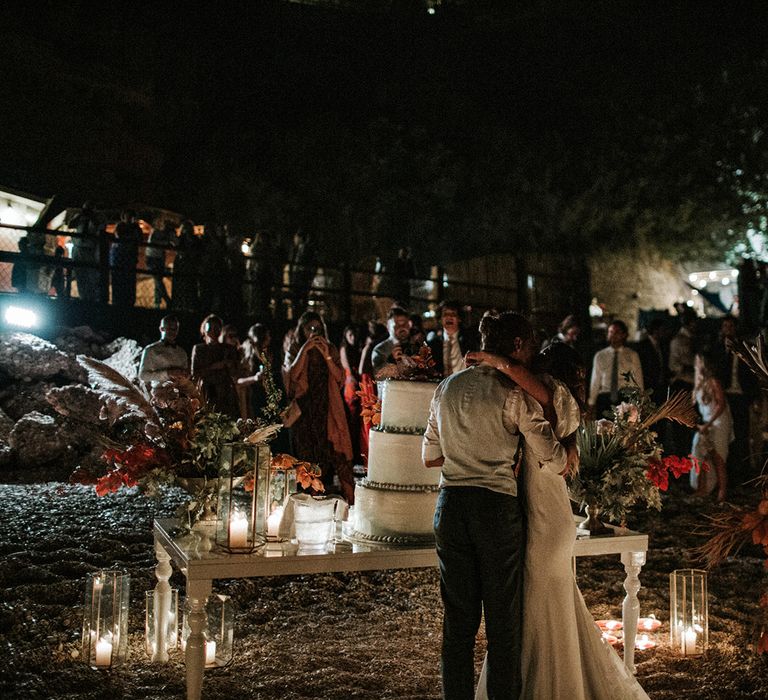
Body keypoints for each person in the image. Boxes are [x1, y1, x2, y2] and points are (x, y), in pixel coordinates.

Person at [468, 332, 651, 700]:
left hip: (544, 519)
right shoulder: (559, 401)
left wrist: (494, 360)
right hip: (548, 512)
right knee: (549, 606)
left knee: (539, 607)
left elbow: (549, 449)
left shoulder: (551, 393)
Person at [422, 311, 568, 700]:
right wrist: (567, 450)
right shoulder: (515, 394)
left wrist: (463, 450)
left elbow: (429, 457)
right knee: (503, 625)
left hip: (450, 508)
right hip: (495, 510)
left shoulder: (446, 388)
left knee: (458, 624)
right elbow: (553, 460)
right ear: (517, 345)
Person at [282, 311, 354, 502]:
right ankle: (305, 497)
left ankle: (323, 494)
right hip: (303, 410)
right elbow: (291, 376)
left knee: (328, 451)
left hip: (325, 407)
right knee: (305, 453)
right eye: (309, 328)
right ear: (302, 330)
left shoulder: (329, 347)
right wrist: (304, 350)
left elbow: (340, 378)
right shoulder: (295, 347)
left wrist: (327, 356)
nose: (314, 332)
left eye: (318, 328)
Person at [714, 316, 759, 481]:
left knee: (742, 435)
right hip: (724, 396)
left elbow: (753, 373)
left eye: (731, 326)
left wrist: (752, 397)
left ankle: (743, 473)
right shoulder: (718, 348)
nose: (728, 329)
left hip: (741, 396)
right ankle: (729, 474)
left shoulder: (745, 348)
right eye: (725, 326)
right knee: (726, 435)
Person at [690, 352, 734, 502]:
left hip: (719, 421)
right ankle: (702, 489)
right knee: (701, 453)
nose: (696, 365)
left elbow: (721, 405)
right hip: (706, 422)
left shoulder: (714, 382)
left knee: (718, 457)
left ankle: (722, 492)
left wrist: (708, 424)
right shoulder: (699, 383)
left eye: (698, 362)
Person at [588, 320, 644, 418]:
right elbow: (595, 380)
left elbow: (638, 379)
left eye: (617, 332)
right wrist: (591, 402)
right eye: (611, 332)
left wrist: (640, 400)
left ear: (624, 335)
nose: (613, 335)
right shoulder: (600, 355)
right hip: (605, 397)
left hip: (625, 398)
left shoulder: (632, 355)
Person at [190, 314, 240, 418]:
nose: (213, 331)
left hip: (226, 392)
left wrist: (229, 365)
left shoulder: (228, 349)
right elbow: (194, 373)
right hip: (208, 391)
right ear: (204, 329)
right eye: (210, 328)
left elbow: (235, 373)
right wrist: (214, 367)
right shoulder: (199, 349)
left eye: (216, 328)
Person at [668, 310, 698, 456]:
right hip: (683, 383)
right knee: (682, 422)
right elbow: (675, 365)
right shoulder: (679, 340)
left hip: (692, 383)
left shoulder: (693, 339)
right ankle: (682, 456)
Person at [427, 300, 479, 377]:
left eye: (453, 314)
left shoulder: (470, 339)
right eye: (445, 314)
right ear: (440, 319)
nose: (449, 317)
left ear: (459, 319)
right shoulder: (433, 344)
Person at [138, 315, 189, 385]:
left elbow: (186, 374)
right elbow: (142, 375)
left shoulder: (182, 352)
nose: (172, 331)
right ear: (161, 329)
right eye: (169, 328)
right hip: (159, 392)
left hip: (179, 392)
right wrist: (167, 373)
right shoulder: (151, 350)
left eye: (175, 329)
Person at [371, 306, 417, 376]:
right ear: (388, 327)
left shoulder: (416, 347)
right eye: (397, 325)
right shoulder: (380, 350)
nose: (402, 328)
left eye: (405, 324)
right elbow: (380, 376)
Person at [68, 201, 100, 301]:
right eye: (86, 208)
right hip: (78, 248)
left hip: (90, 250)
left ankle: (93, 298)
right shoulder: (79, 216)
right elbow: (70, 225)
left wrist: (91, 216)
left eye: (89, 209)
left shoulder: (97, 217)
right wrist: (80, 215)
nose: (87, 211)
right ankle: (83, 297)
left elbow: (98, 226)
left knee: (91, 276)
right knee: (80, 275)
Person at [110, 209, 142, 307]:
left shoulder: (136, 227)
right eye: (127, 216)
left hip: (129, 257)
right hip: (120, 257)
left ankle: (128, 301)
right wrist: (131, 239)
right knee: (119, 279)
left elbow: (139, 239)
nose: (129, 218)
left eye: (131, 216)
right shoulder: (120, 226)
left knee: (129, 281)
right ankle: (117, 301)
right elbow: (120, 237)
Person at [172, 220, 201, 313]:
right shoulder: (181, 238)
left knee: (190, 286)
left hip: (189, 265)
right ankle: (180, 305)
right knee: (181, 285)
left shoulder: (194, 239)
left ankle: (189, 306)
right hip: (182, 264)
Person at [145, 220, 175, 308]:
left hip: (158, 257)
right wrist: (167, 242)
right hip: (152, 257)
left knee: (157, 280)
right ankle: (166, 300)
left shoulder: (165, 234)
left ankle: (157, 302)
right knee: (158, 280)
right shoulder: (156, 232)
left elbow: (173, 243)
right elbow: (153, 242)